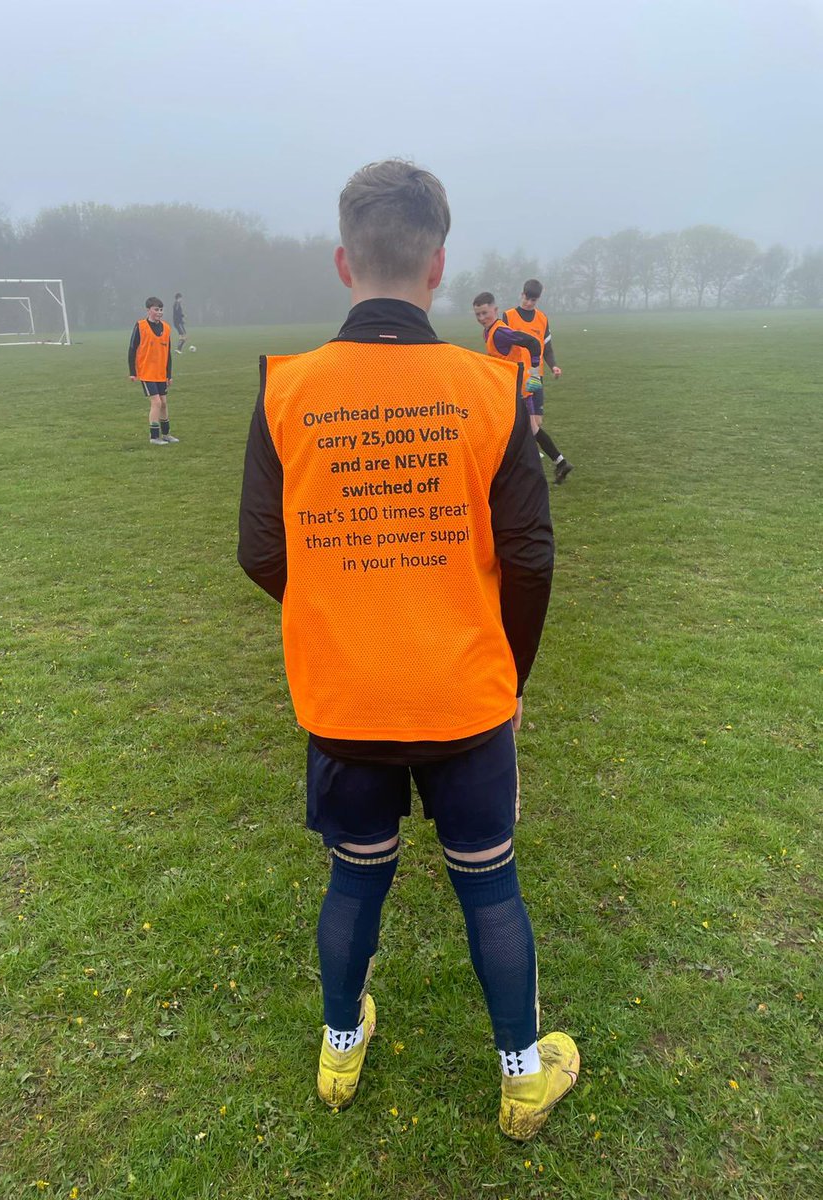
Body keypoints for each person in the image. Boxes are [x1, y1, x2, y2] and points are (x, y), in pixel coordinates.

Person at [238, 160, 578, 1141]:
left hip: (347, 699)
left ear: (346, 261)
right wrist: (510, 674)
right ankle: (522, 1078)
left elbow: (263, 550)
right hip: (465, 696)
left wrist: (345, 609)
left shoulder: (286, 389)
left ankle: (340, 1048)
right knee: (491, 882)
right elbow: (531, 556)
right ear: (438, 267)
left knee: (356, 875)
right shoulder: (489, 386)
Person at [503, 281, 572, 484]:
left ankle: (541, 460)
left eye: (533, 300)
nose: (528, 302)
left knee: (536, 422)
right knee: (527, 424)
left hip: (534, 376)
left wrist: (554, 366)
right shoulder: (509, 316)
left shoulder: (542, 319)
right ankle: (547, 460)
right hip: (515, 375)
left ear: (538, 299)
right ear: (521, 294)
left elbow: (547, 349)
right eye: (526, 298)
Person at [472, 291, 553, 441]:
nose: (481, 318)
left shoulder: (500, 332)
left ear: (495, 310)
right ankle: (558, 460)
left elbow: (533, 342)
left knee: (529, 427)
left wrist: (535, 373)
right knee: (528, 427)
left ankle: (549, 459)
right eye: (478, 315)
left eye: (484, 313)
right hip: (507, 385)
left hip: (518, 386)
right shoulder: (488, 331)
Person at [128, 297, 178, 445]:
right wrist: (132, 371)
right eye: (156, 309)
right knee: (156, 402)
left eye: (161, 310)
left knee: (163, 402)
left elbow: (167, 353)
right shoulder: (140, 326)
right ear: (148, 310)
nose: (159, 312)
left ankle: (167, 434)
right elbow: (132, 349)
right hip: (146, 372)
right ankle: (154, 437)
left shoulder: (166, 328)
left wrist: (169, 374)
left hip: (161, 373)